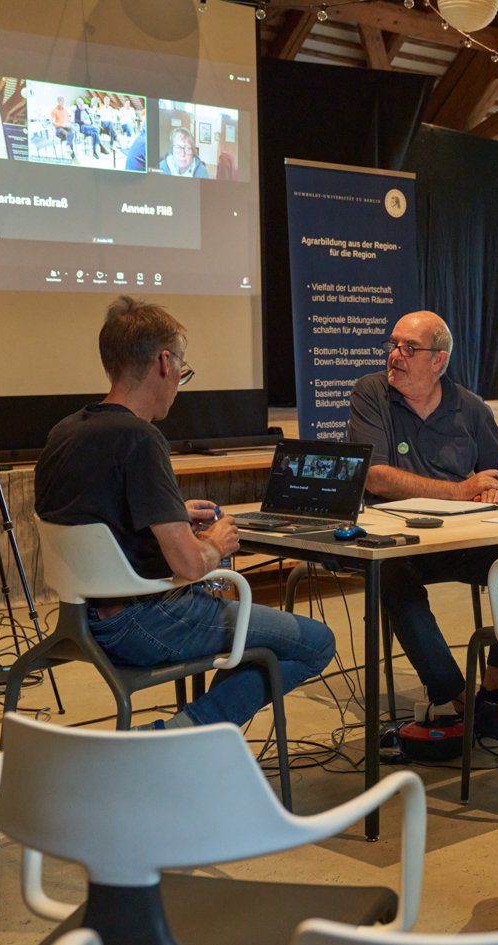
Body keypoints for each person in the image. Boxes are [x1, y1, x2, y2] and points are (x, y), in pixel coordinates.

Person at [35, 296, 335, 730]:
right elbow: (190, 566)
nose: (180, 380)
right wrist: (215, 544)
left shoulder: (66, 431)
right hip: (145, 621)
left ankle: (197, 735)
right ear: (164, 362)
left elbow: (98, 515)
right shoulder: (140, 439)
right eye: (183, 368)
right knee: (316, 642)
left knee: (258, 643)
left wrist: (172, 514)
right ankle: (175, 738)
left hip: (80, 620)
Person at [346, 310, 498, 733]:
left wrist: (490, 488)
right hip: (398, 544)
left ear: (438, 360)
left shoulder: (470, 407)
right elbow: (376, 477)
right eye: (393, 345)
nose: (395, 355)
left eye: (409, 348)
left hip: (460, 542)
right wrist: (460, 490)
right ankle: (454, 695)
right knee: (388, 573)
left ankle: (496, 686)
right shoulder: (371, 393)